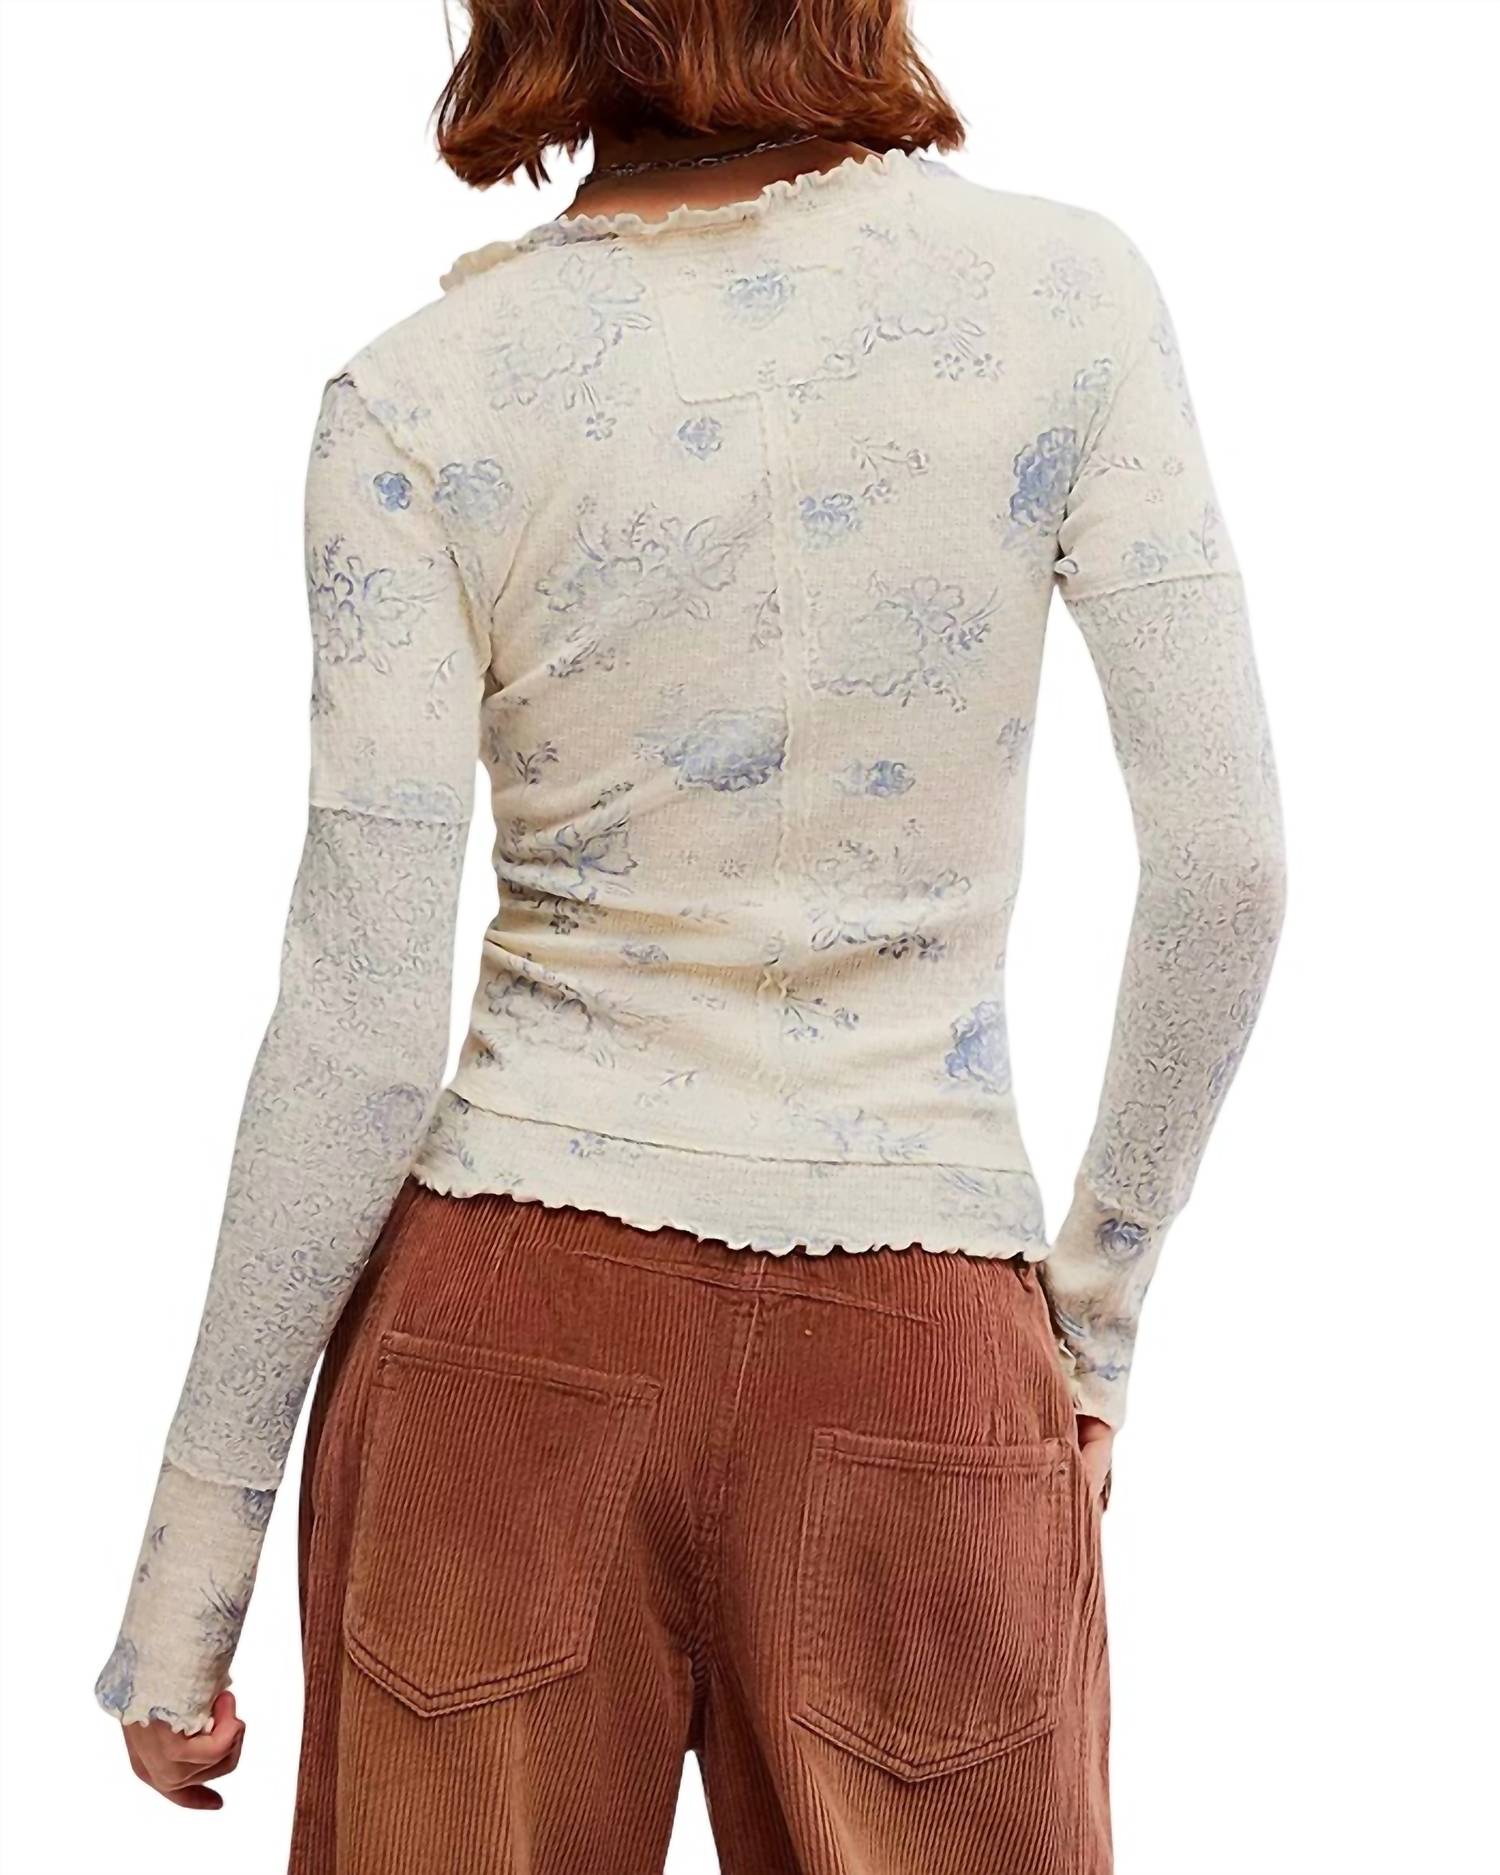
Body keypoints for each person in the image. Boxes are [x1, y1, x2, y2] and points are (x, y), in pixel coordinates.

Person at [94, 2, 1288, 1868]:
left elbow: (357, 1031)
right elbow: (1227, 869)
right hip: (921, 1330)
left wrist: (192, 1566)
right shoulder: (1066, 300)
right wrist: (1095, 1324)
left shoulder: (421, 395)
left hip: (501, 1337)